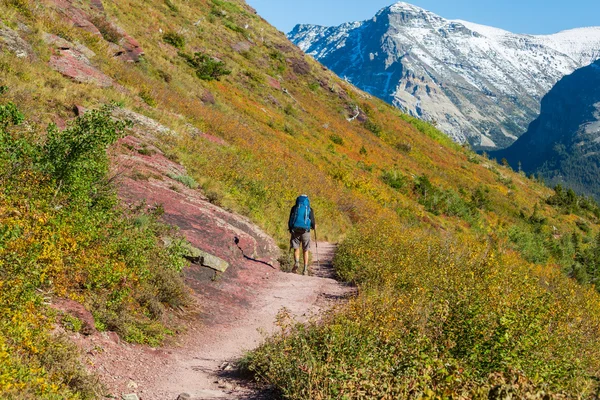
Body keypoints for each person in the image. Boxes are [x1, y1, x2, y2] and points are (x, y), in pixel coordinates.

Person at [288, 194, 315, 275]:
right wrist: (313, 227)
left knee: (296, 248)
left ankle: (296, 262)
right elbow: (313, 222)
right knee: (305, 250)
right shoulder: (310, 209)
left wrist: (290, 229)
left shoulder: (294, 208)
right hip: (306, 232)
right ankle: (305, 269)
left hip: (295, 230)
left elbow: (290, 220)